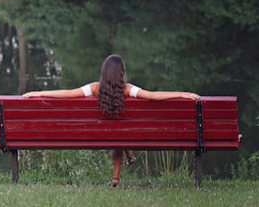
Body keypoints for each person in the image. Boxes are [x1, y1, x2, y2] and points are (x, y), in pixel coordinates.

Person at [23, 54, 200, 187]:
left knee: (116, 131)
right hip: (123, 134)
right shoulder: (127, 89)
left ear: (104, 72)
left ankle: (118, 174)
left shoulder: (94, 88)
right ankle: (122, 165)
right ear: (122, 72)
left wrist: (38, 93)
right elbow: (153, 96)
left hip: (100, 135)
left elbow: (68, 94)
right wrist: (182, 94)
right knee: (119, 132)